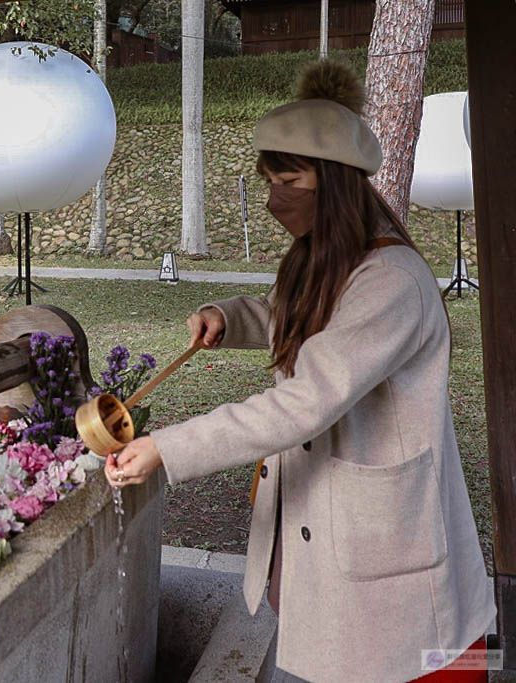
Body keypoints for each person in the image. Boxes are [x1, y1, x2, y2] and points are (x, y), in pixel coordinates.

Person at [104, 61, 496, 683]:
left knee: (401, 658)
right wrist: (229, 318)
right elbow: (299, 317)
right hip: (331, 526)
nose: (271, 199)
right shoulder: (324, 260)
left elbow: (306, 400)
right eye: (268, 179)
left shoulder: (392, 281)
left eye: (288, 178)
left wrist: (166, 449)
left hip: (394, 557)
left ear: (334, 184)